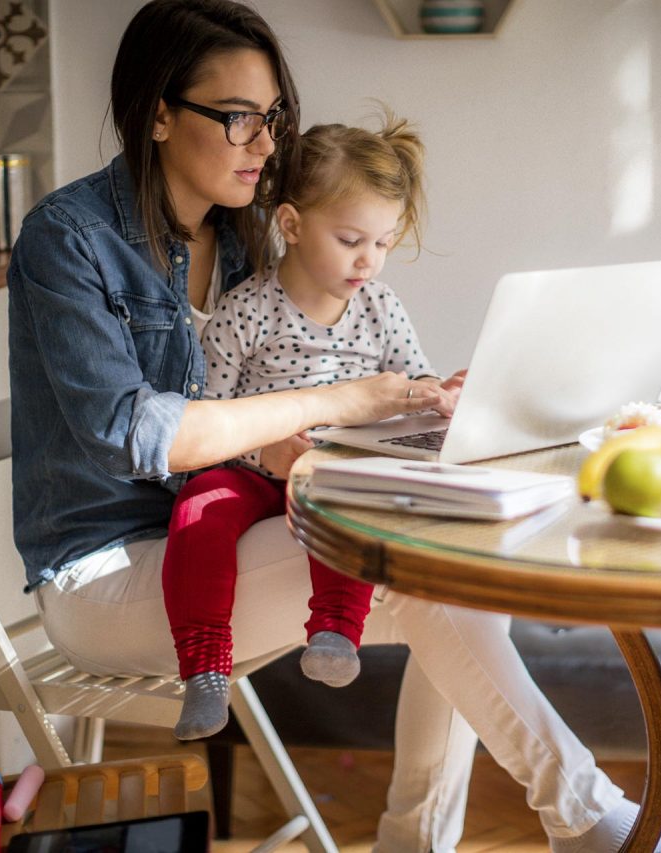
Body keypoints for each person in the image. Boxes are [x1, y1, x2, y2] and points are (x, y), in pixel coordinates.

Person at [6, 1, 661, 850]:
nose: (267, 144)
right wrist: (342, 402)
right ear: (159, 114)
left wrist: (416, 409)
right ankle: (591, 820)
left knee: (453, 575)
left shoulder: (249, 240)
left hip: (230, 532)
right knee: (421, 562)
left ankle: (454, 835)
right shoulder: (70, 239)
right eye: (239, 116)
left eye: (273, 117)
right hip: (108, 572)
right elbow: (144, 435)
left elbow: (263, 408)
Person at [164, 111, 466, 740]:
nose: (371, 262)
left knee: (352, 506)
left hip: (332, 472)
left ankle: (335, 630)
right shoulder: (245, 310)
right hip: (249, 471)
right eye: (353, 240)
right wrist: (266, 456)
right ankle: (205, 669)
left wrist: (442, 394)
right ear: (293, 224)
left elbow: (413, 384)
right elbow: (207, 426)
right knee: (197, 511)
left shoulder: (380, 308)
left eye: (383, 243)